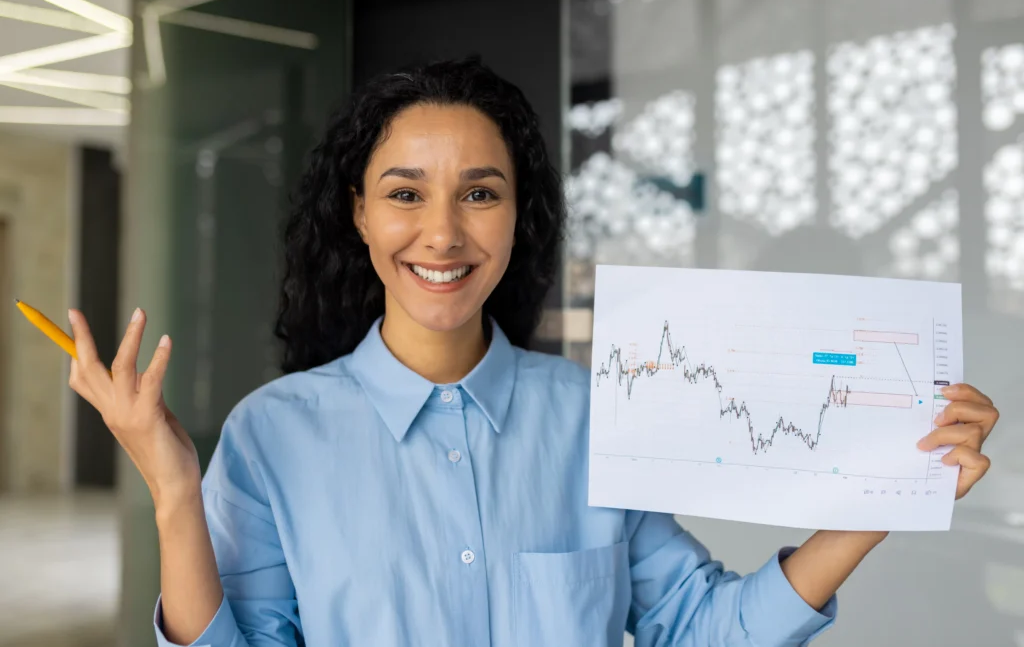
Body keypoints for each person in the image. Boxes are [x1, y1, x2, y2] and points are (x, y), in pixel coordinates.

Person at [66, 57, 1000, 647]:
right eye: (404, 193)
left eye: (480, 193)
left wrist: (884, 491)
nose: (442, 233)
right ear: (357, 213)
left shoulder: (597, 413)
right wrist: (176, 493)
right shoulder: (273, 435)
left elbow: (705, 629)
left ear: (519, 216)